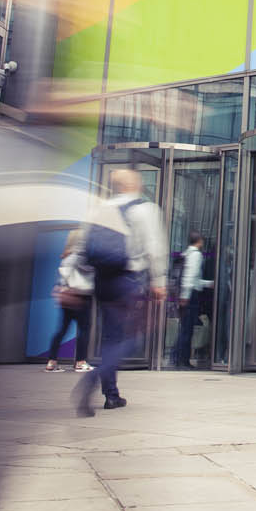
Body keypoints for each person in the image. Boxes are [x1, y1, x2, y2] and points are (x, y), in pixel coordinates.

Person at [72, 169, 165, 416]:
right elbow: (154, 247)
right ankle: (92, 379)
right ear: (132, 184)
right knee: (132, 339)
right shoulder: (145, 209)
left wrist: (79, 282)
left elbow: (81, 250)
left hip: (102, 281)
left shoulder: (98, 209)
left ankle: (111, 395)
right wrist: (159, 280)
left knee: (110, 338)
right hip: (127, 280)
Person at [46, 230, 93, 373]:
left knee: (62, 329)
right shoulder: (83, 257)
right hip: (82, 295)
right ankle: (80, 362)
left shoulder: (67, 257)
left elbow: (63, 276)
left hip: (67, 296)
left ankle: (51, 362)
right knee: (84, 329)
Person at [173, 232, 213, 369]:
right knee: (187, 329)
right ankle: (182, 360)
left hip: (186, 294)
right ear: (199, 241)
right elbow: (191, 277)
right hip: (191, 295)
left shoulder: (186, 254)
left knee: (185, 328)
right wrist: (185, 295)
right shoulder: (196, 255)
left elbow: (192, 278)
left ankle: (178, 358)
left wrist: (208, 284)